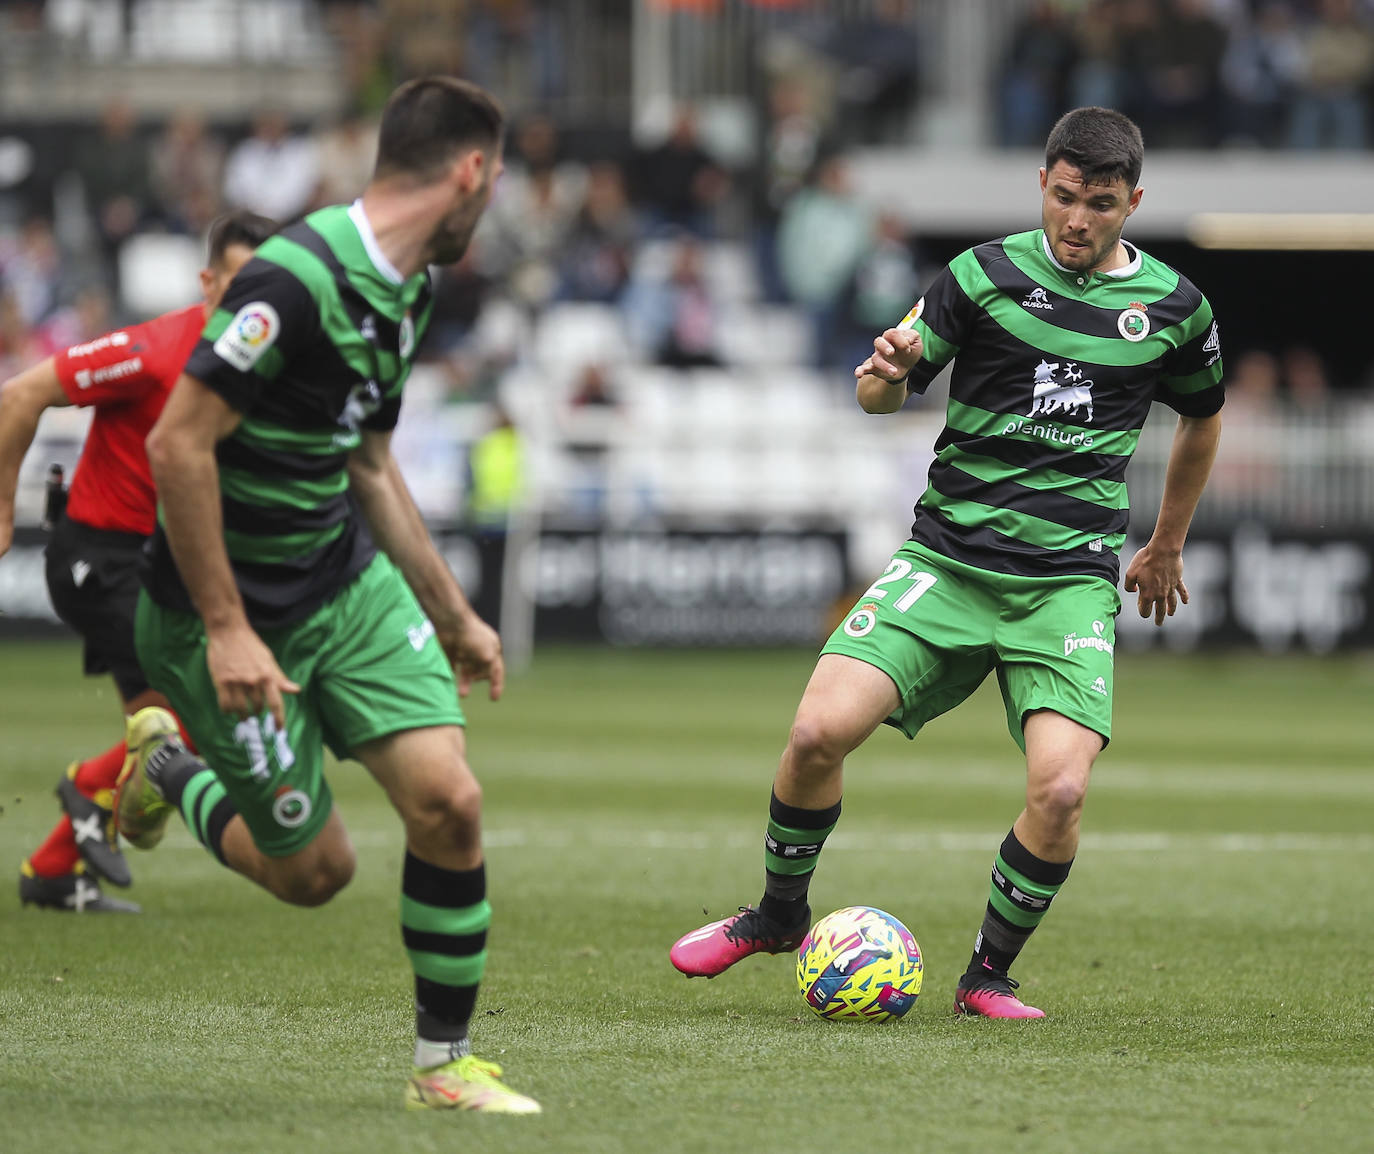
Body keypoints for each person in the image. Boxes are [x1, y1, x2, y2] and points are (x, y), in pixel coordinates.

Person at [670, 107, 1225, 1019]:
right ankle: (776, 915)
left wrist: (1166, 541)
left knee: (1060, 787)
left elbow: (1204, 417)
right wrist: (885, 371)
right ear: (1041, 184)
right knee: (815, 735)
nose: (1077, 220)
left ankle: (985, 977)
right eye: (1063, 196)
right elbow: (877, 394)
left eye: (1099, 203)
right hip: (949, 562)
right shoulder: (982, 275)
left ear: (1134, 201)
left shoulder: (1174, 309)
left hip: (1064, 585)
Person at [116, 76, 539, 1114]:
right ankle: (166, 759)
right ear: (471, 172)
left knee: (451, 799)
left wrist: (452, 613)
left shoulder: (409, 290)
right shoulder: (294, 278)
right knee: (314, 872)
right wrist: (224, 629)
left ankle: (444, 1065)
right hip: (221, 613)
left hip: (341, 585)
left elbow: (370, 461)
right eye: (495, 184)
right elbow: (178, 443)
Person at [0, 209, 277, 913]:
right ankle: (88, 789)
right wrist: (3, 510)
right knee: (201, 717)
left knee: (164, 733)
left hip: (157, 565)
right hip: (101, 561)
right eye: (237, 283)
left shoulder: (267, 363)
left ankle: (56, 870)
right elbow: (20, 395)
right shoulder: (157, 348)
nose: (251, 301)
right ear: (206, 282)